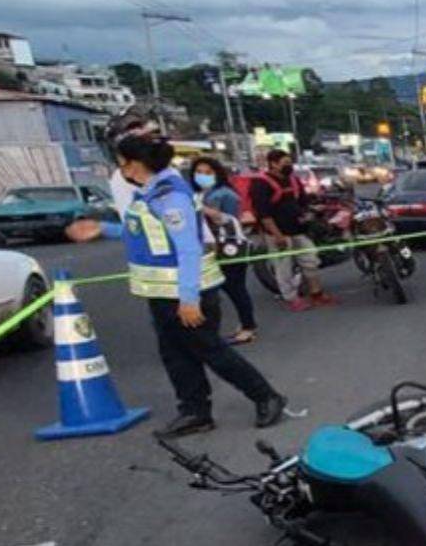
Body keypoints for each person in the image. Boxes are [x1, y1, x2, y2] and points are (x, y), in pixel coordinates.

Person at [66, 113, 286, 439]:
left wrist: (188, 298)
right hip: (162, 293)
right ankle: (195, 411)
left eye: (122, 162)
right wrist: (104, 229)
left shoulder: (169, 196)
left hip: (184, 293)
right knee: (176, 355)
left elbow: (188, 249)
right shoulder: (148, 191)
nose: (121, 168)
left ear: (134, 164)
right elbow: (144, 231)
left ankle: (265, 396)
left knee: (210, 350)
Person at [251, 149, 335, 310]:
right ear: (273, 164)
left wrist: (311, 210)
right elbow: (263, 214)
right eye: (285, 163)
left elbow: (302, 203)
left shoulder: (293, 180)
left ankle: (316, 293)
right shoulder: (261, 184)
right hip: (277, 233)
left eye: (290, 163)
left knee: (311, 261)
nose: (289, 166)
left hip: (298, 230)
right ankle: (292, 298)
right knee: (283, 268)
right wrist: (277, 235)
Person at [191, 157, 257, 346]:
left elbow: (230, 221)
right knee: (226, 288)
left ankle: (248, 327)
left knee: (235, 288)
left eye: (208, 172)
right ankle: (244, 325)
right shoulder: (200, 194)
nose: (202, 176)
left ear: (217, 174)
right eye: (199, 172)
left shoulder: (225, 195)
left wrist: (202, 209)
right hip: (211, 249)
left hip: (228, 249)